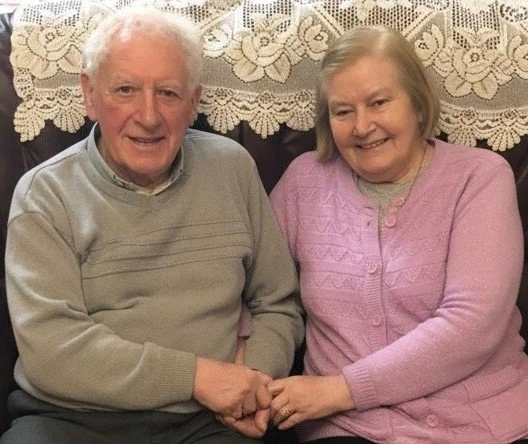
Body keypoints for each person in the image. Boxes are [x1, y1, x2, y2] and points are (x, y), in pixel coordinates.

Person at [1, 7, 304, 444]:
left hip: (210, 421)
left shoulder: (232, 169)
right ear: (89, 94)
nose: (148, 116)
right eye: (125, 89)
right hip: (73, 419)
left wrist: (252, 380)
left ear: (194, 102)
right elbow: (52, 349)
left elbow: (278, 302)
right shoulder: (44, 195)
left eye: (168, 93)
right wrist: (196, 377)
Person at [265, 26, 528, 443]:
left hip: (483, 423)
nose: (362, 126)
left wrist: (339, 390)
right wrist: (249, 377)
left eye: (379, 102)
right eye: (342, 111)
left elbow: (472, 324)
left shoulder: (479, 177)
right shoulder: (304, 182)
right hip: (348, 429)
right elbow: (259, 290)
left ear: (418, 105)